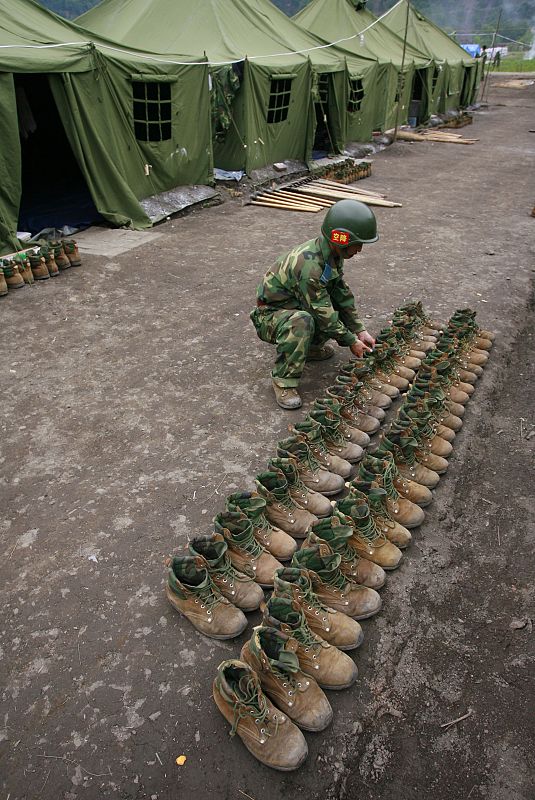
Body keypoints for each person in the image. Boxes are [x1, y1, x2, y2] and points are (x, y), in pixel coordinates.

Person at [250, 199, 378, 410]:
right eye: (358, 243)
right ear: (341, 238)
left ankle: (308, 350)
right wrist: (351, 341)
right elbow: (322, 313)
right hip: (270, 316)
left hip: (295, 305)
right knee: (303, 321)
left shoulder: (332, 253)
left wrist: (359, 330)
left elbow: (340, 293)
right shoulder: (310, 266)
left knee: (330, 308)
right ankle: (283, 381)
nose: (360, 249)